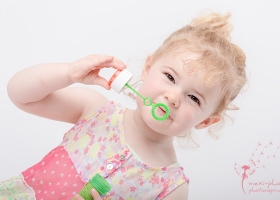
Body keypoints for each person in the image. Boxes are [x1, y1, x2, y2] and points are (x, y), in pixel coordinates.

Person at [0, 11, 247, 200]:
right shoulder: (95, 111)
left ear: (206, 121)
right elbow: (20, 94)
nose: (173, 97)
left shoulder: (172, 188)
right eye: (170, 77)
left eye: (194, 98)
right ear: (147, 68)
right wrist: (68, 73)